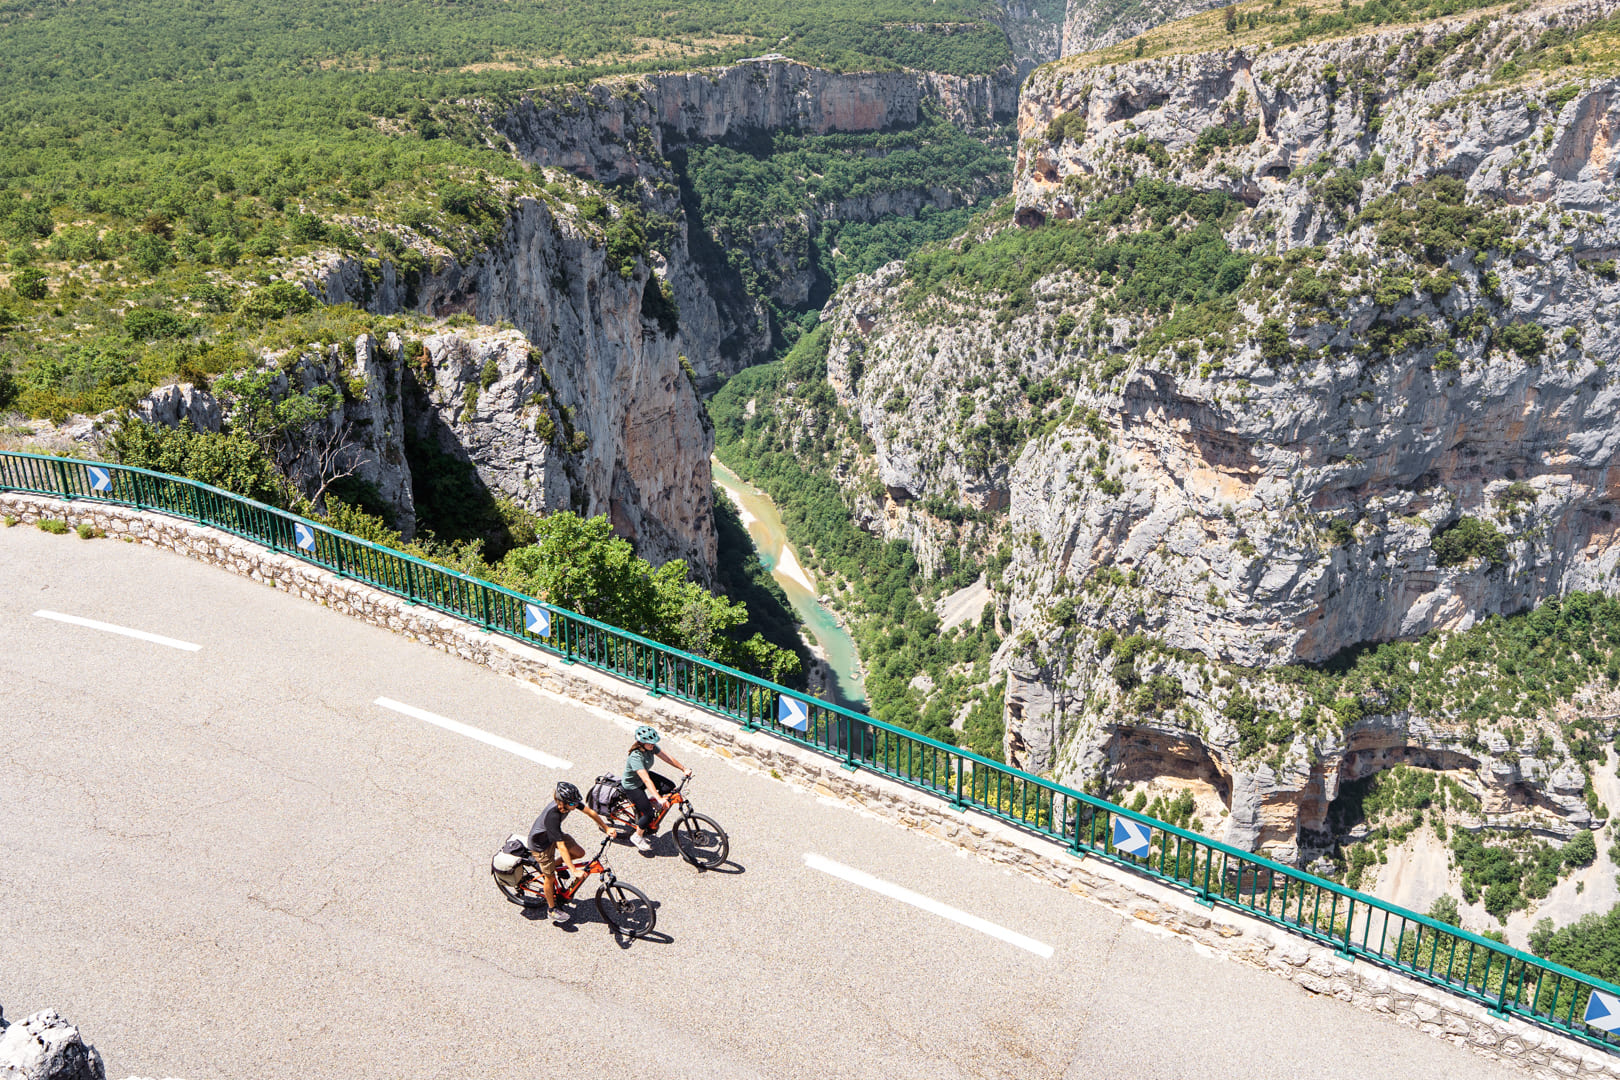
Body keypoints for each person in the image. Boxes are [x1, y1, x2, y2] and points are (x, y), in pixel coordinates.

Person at [528, 780, 613, 923]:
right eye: (572, 804)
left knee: (579, 853)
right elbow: (561, 847)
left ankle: (555, 865)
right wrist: (573, 870)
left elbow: (590, 812)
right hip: (540, 844)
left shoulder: (569, 803)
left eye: (575, 803)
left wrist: (606, 828)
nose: (575, 806)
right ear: (562, 802)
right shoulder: (552, 816)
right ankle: (551, 909)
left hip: (554, 835)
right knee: (549, 877)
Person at [621, 725, 691, 852]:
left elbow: (667, 758)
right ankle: (637, 836)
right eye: (650, 743)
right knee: (649, 814)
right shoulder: (635, 757)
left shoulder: (650, 747)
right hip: (633, 785)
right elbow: (646, 780)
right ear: (641, 742)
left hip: (643, 777)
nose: (653, 745)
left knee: (670, 787)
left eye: (654, 743)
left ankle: (651, 801)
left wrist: (683, 768)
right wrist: (659, 798)